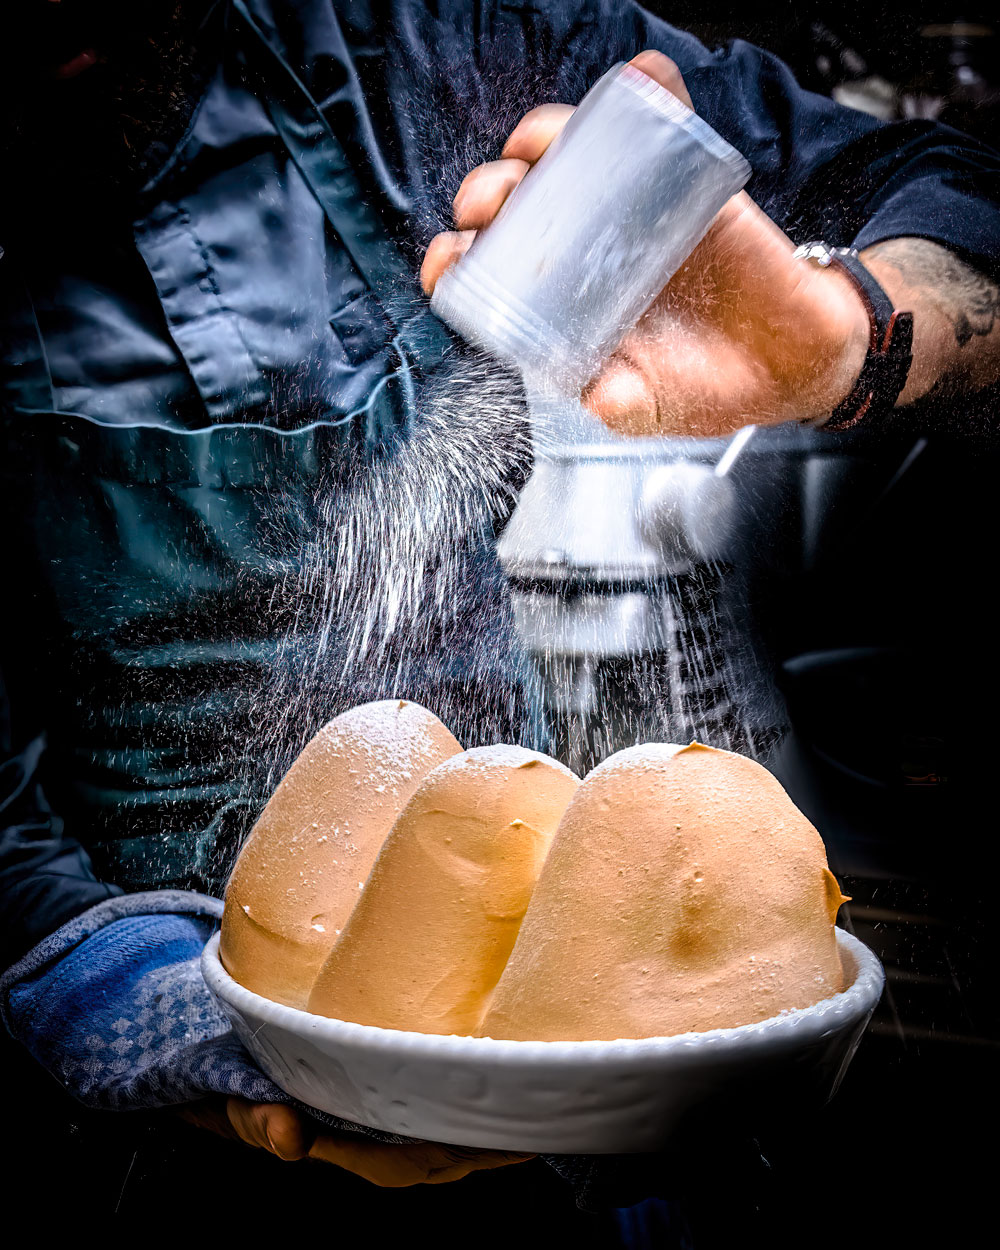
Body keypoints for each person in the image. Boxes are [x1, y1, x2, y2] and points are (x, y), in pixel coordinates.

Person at [1, 0, 998, 1241]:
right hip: (145, 1126)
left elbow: (963, 194)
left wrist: (851, 334)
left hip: (565, 1059)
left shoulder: (420, 44)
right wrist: (167, 1014)